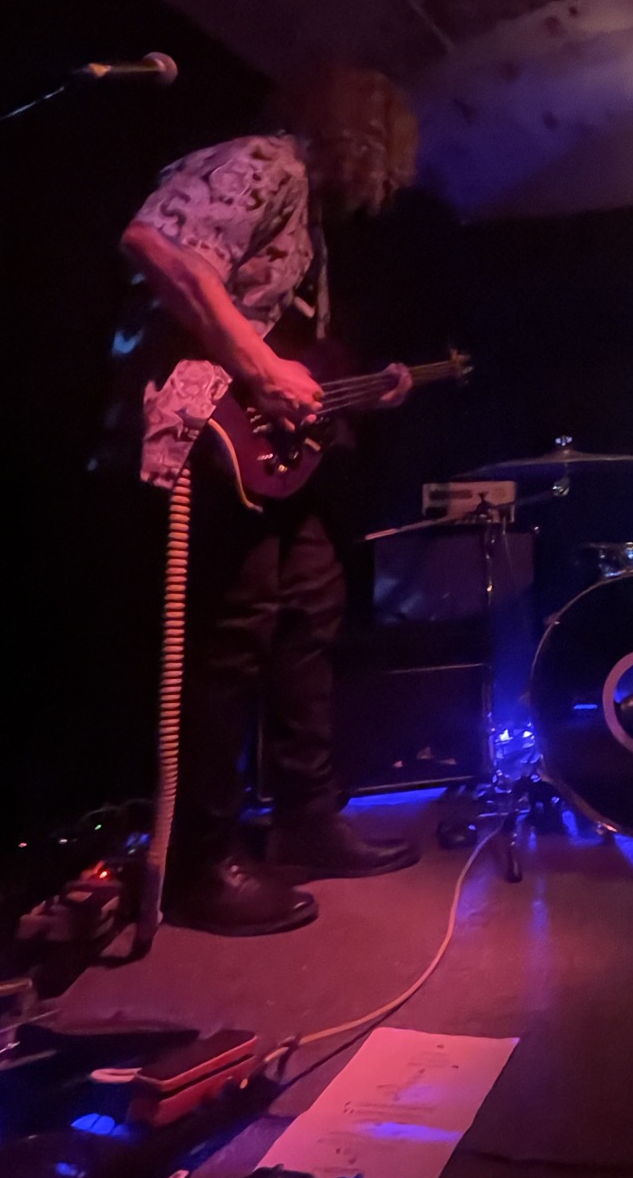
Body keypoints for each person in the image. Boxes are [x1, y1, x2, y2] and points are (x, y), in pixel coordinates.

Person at [112, 65, 423, 935]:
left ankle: (305, 819)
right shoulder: (264, 162)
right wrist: (258, 368)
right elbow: (155, 244)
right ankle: (200, 862)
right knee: (232, 636)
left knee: (309, 613)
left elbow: (290, 350)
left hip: (271, 457)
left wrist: (352, 386)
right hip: (207, 434)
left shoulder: (306, 212)